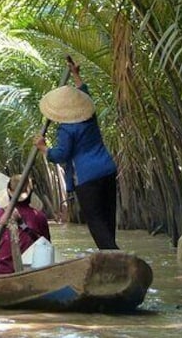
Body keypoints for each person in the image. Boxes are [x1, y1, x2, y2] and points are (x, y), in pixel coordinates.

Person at [35, 60, 119, 249]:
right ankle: (113, 256)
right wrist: (76, 74)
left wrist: (43, 148)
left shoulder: (67, 129)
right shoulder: (90, 115)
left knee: (96, 222)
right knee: (108, 220)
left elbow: (61, 155)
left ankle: (115, 257)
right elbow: (84, 91)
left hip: (87, 178)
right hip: (107, 170)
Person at [0, 174, 50, 275]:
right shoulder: (40, 216)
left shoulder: (0, 214)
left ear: (9, 192)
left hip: (4, 271)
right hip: (32, 271)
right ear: (30, 194)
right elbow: (46, 246)